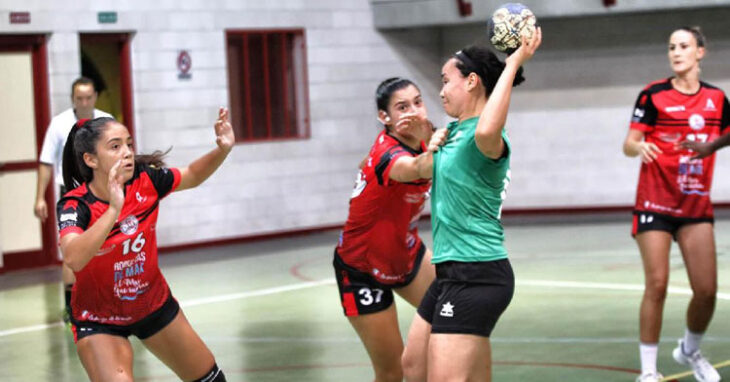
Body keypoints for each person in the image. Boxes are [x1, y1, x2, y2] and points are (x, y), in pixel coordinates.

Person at [400, 29, 542, 382]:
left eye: (446, 81)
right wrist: (425, 138)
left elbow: (487, 129)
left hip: (477, 272)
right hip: (449, 272)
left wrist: (512, 64)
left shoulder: (487, 137)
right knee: (413, 365)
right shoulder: (451, 133)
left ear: (473, 82)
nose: (441, 90)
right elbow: (422, 172)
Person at [56, 108, 234, 381]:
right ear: (90, 159)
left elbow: (192, 175)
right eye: (115, 147)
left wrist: (222, 150)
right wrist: (113, 209)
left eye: (128, 144)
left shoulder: (145, 180)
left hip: (152, 304)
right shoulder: (75, 204)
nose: (127, 152)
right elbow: (74, 257)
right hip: (98, 319)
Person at [623, 26, 726, 382]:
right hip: (654, 203)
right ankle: (649, 371)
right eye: (671, 47)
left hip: (695, 206)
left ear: (701, 52)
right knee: (658, 284)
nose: (676, 52)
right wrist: (640, 147)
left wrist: (712, 147)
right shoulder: (653, 95)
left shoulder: (716, 98)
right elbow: (629, 142)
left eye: (684, 46)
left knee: (707, 290)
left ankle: (689, 350)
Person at [333, 77, 446, 382]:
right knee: (392, 371)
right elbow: (420, 168)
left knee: (456, 312)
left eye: (418, 102)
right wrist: (433, 145)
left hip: (405, 252)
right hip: (361, 268)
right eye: (401, 107)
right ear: (385, 118)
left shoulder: (425, 136)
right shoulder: (390, 155)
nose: (413, 111)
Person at [34, 77, 112, 321]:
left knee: (107, 242)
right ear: (73, 99)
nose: (85, 102)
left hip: (101, 190)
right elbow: (46, 162)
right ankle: (71, 307)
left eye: (89, 97)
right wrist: (40, 198)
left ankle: (111, 296)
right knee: (72, 244)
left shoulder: (106, 122)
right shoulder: (59, 124)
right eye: (80, 98)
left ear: (95, 97)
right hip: (69, 192)